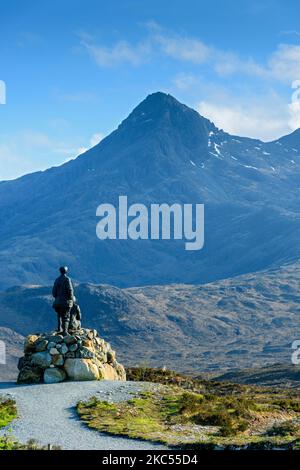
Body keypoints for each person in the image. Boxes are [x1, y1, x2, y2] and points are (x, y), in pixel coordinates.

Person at [52, 266, 74, 336]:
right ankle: (65, 331)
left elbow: (53, 292)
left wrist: (57, 298)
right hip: (65, 302)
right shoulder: (67, 279)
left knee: (59, 315)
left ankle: (59, 329)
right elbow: (70, 290)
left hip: (57, 302)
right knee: (66, 316)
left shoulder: (57, 280)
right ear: (66, 271)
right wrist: (71, 299)